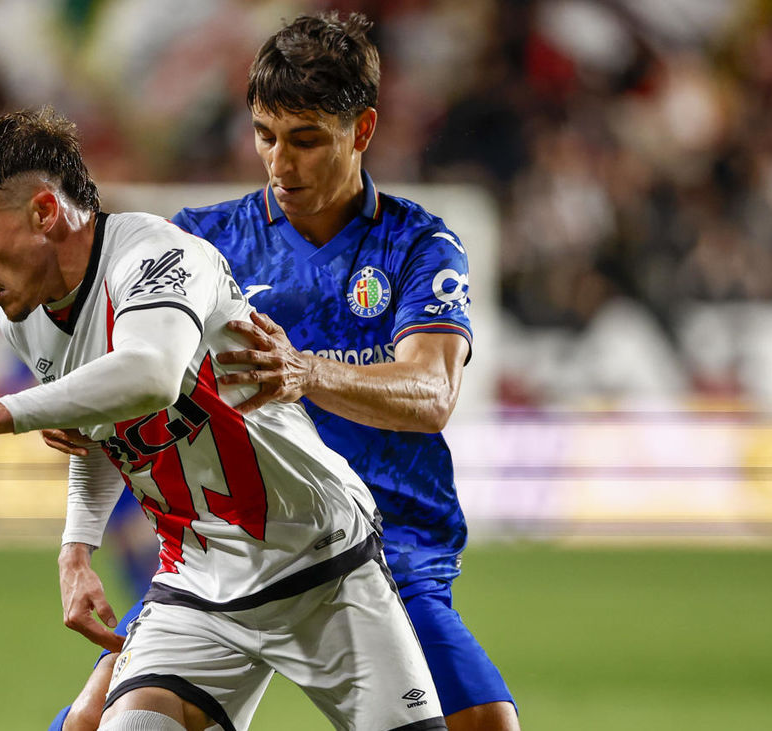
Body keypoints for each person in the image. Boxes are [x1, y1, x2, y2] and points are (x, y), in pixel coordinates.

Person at [0, 107, 447, 731]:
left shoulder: (159, 257)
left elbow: (150, 373)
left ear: (44, 212)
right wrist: (77, 549)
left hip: (320, 562)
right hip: (198, 583)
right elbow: (99, 430)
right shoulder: (25, 319)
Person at [46, 12, 519, 731]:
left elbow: (432, 393)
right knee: (90, 722)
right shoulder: (200, 243)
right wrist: (83, 410)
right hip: (234, 549)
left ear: (362, 130)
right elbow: (129, 373)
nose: (280, 163)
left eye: (305, 139)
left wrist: (306, 372)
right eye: (266, 136)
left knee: (485, 725)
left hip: (387, 551)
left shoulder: (417, 246)